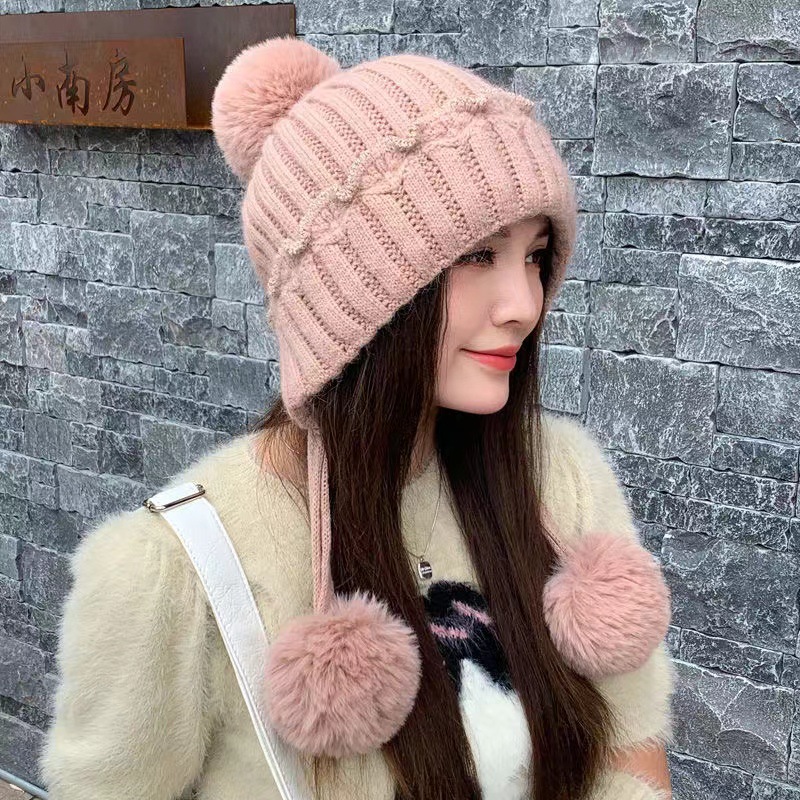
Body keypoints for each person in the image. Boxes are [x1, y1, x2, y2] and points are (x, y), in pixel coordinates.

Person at [38, 36, 676, 800]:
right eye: (479, 254)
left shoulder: (560, 483)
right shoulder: (172, 569)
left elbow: (632, 754)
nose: (524, 305)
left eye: (535, 255)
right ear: (350, 300)